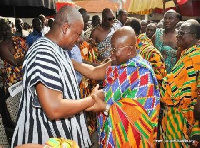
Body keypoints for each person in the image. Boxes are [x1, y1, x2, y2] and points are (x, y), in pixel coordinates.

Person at [11, 6, 105, 147]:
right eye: (77, 34)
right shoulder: (43, 53)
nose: (79, 40)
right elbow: (54, 108)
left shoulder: (59, 50)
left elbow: (90, 70)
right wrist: (91, 100)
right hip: (45, 139)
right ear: (65, 28)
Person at [72, 26, 160, 147]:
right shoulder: (118, 61)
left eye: (115, 49)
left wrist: (105, 107)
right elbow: (94, 71)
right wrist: (71, 62)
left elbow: (138, 116)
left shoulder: (142, 73)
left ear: (129, 50)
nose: (111, 54)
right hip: (113, 132)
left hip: (131, 139)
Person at [160, 19, 200, 148]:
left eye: (182, 33)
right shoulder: (185, 54)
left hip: (186, 117)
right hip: (172, 113)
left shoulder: (197, 56)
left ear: (193, 36)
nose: (178, 36)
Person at [0, 20, 28, 147]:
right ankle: (18, 133)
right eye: (3, 30)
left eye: (8, 28)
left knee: (25, 104)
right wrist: (28, 54)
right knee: (15, 107)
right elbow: (15, 62)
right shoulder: (2, 46)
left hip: (23, 77)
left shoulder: (19, 40)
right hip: (12, 81)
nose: (7, 32)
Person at [152, 9, 179, 73]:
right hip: (156, 72)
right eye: (165, 18)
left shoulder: (180, 37)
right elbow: (150, 52)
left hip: (173, 74)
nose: (167, 20)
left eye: (170, 18)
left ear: (176, 20)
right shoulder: (157, 34)